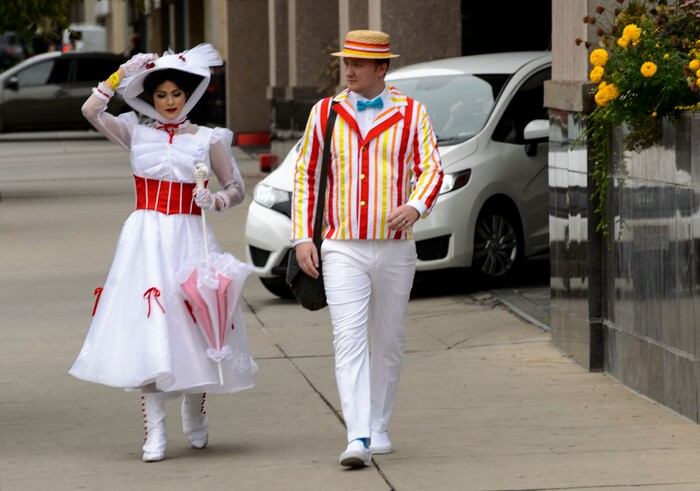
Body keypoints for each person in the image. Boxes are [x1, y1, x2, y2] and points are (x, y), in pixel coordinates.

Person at [69, 44, 256, 463]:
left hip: (191, 236)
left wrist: (217, 202)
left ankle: (194, 403)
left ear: (188, 95)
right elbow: (90, 113)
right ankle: (155, 431)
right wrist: (117, 78)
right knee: (150, 330)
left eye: (176, 94)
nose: (170, 102)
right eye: (161, 95)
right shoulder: (135, 132)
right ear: (150, 98)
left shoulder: (210, 139)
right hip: (146, 240)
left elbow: (237, 189)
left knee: (195, 324)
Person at [291, 30, 443, 467]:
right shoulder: (326, 113)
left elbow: (432, 168)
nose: (350, 70)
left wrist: (415, 206)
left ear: (382, 68)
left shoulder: (412, 113)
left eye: (359, 63)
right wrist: (303, 236)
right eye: (347, 62)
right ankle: (356, 436)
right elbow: (305, 177)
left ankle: (379, 426)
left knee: (389, 339)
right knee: (349, 339)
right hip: (341, 246)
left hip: (396, 248)